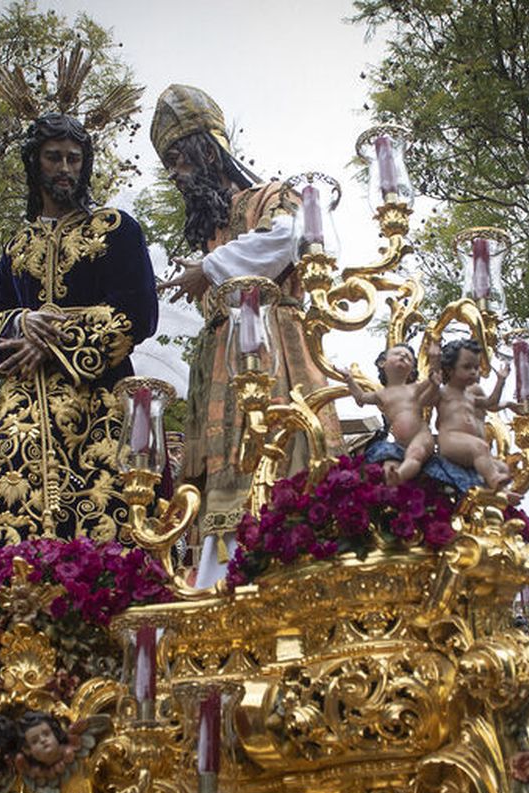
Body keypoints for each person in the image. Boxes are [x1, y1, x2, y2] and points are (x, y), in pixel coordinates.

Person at [149, 83, 340, 583]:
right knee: (218, 483)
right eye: (168, 163)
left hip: (277, 350)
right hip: (218, 369)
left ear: (209, 151)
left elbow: (288, 236)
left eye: (179, 159)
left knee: (282, 458)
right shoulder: (212, 232)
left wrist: (208, 269)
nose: (175, 174)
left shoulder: (272, 196)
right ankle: (215, 585)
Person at [0, 112, 159, 549]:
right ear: (34, 164)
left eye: (74, 159)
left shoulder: (115, 229)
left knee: (105, 525)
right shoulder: (18, 246)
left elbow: (138, 312)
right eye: (54, 158)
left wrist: (52, 340)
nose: (65, 169)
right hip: (23, 416)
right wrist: (21, 322)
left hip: (98, 403)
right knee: (12, 541)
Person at [344, 341, 439, 484]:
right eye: (397, 354)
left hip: (421, 437)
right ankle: (390, 489)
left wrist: (434, 362)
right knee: (388, 466)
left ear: (412, 369)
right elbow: (361, 398)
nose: (403, 356)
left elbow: (432, 380)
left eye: (408, 357)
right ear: (382, 363)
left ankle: (400, 475)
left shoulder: (414, 388)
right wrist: (349, 380)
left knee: (415, 454)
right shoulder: (381, 395)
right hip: (399, 444)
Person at [434, 338, 511, 488]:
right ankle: (494, 479)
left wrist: (501, 381)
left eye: (476, 368)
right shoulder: (443, 393)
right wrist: (433, 361)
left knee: (503, 467)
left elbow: (491, 402)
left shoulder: (470, 396)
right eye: (467, 367)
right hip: (451, 441)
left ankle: (502, 494)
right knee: (480, 447)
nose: (473, 372)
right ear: (450, 369)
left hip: (470, 446)